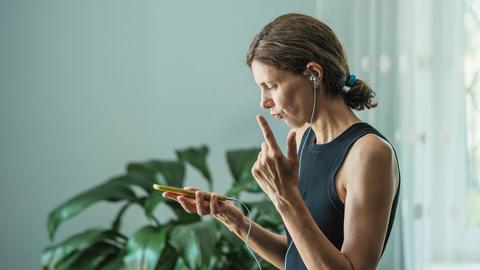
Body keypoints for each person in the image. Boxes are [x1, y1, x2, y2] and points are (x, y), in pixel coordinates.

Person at [162, 13, 400, 270]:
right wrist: (236, 222)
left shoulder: (369, 153)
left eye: (271, 85)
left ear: (313, 74)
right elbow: (298, 256)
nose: (263, 101)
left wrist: (285, 198)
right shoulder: (301, 138)